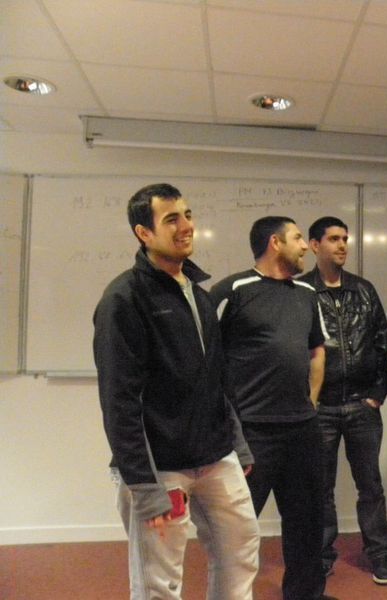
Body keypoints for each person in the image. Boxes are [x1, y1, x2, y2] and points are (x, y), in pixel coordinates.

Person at [93, 183, 260, 600]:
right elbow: (118, 402)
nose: (186, 226)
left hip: (216, 457)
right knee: (159, 584)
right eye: (171, 219)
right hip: (160, 467)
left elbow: (216, 379)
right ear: (144, 233)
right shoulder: (123, 299)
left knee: (240, 555)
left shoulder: (198, 295)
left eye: (187, 215)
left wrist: (237, 443)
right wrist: (143, 487)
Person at [209, 216, 330, 600]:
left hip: (302, 428)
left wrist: (310, 404)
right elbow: (208, 360)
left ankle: (305, 594)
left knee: (307, 522)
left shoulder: (306, 293)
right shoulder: (232, 291)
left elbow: (316, 351)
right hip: (251, 430)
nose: (305, 246)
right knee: (238, 528)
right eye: (298, 238)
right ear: (275, 243)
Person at [298, 216, 387, 585]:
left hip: (361, 406)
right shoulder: (300, 291)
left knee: (370, 486)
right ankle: (321, 556)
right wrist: (306, 401)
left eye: (345, 239)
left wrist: (377, 394)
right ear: (314, 245)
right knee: (319, 488)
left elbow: (382, 342)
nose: (342, 245)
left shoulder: (363, 290)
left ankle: (380, 555)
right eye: (333, 239)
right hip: (319, 408)